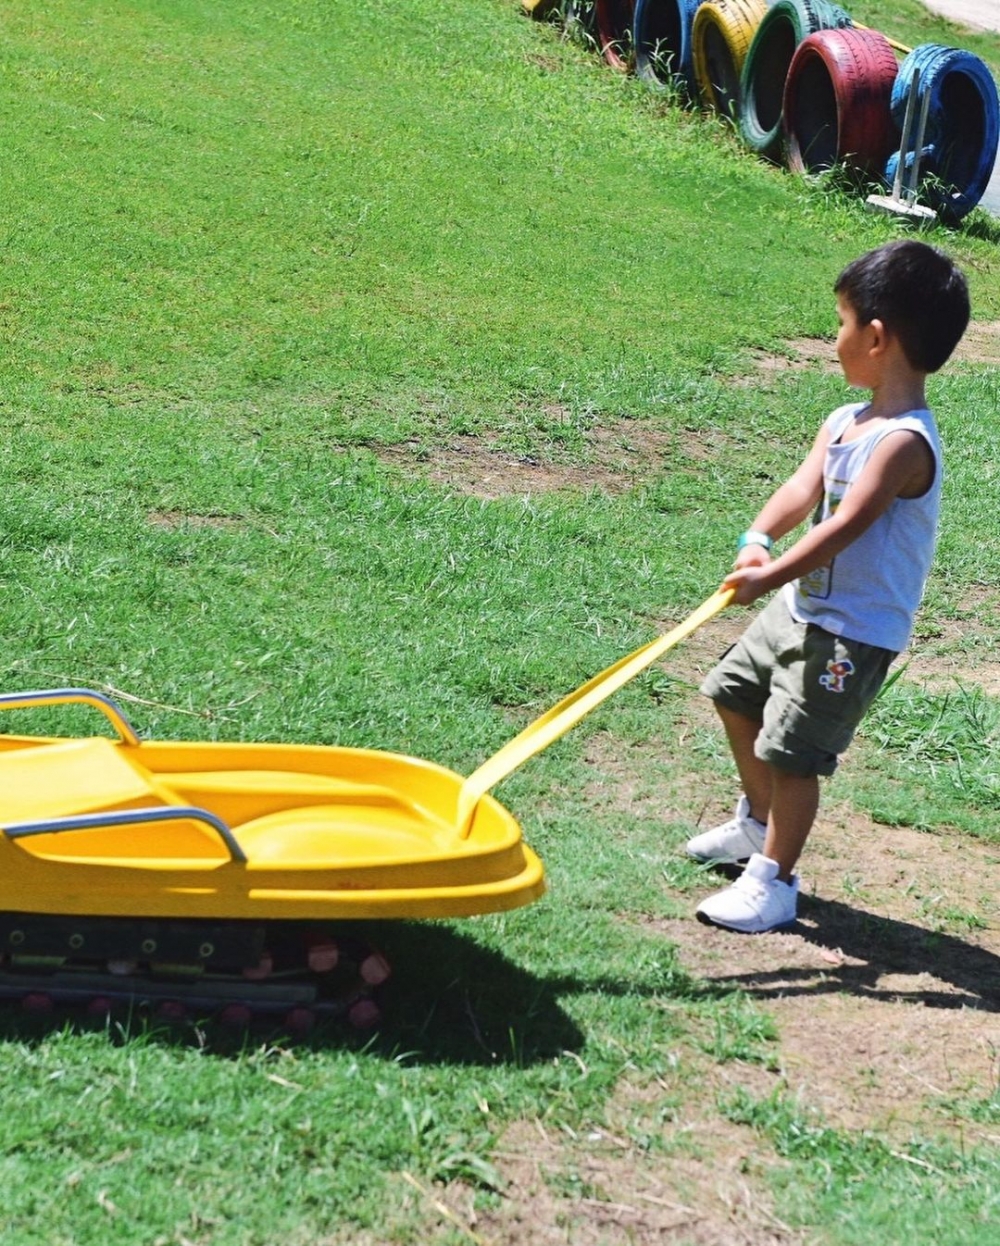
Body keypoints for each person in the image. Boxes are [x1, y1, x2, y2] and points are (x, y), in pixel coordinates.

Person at [686, 239, 970, 934]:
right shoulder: (845, 422)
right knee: (732, 693)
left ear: (876, 338)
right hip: (801, 608)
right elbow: (801, 489)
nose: (833, 339)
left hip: (849, 633)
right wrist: (757, 540)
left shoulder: (904, 443)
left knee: (794, 754)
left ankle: (775, 881)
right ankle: (757, 827)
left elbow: (843, 525)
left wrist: (769, 576)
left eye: (840, 323)